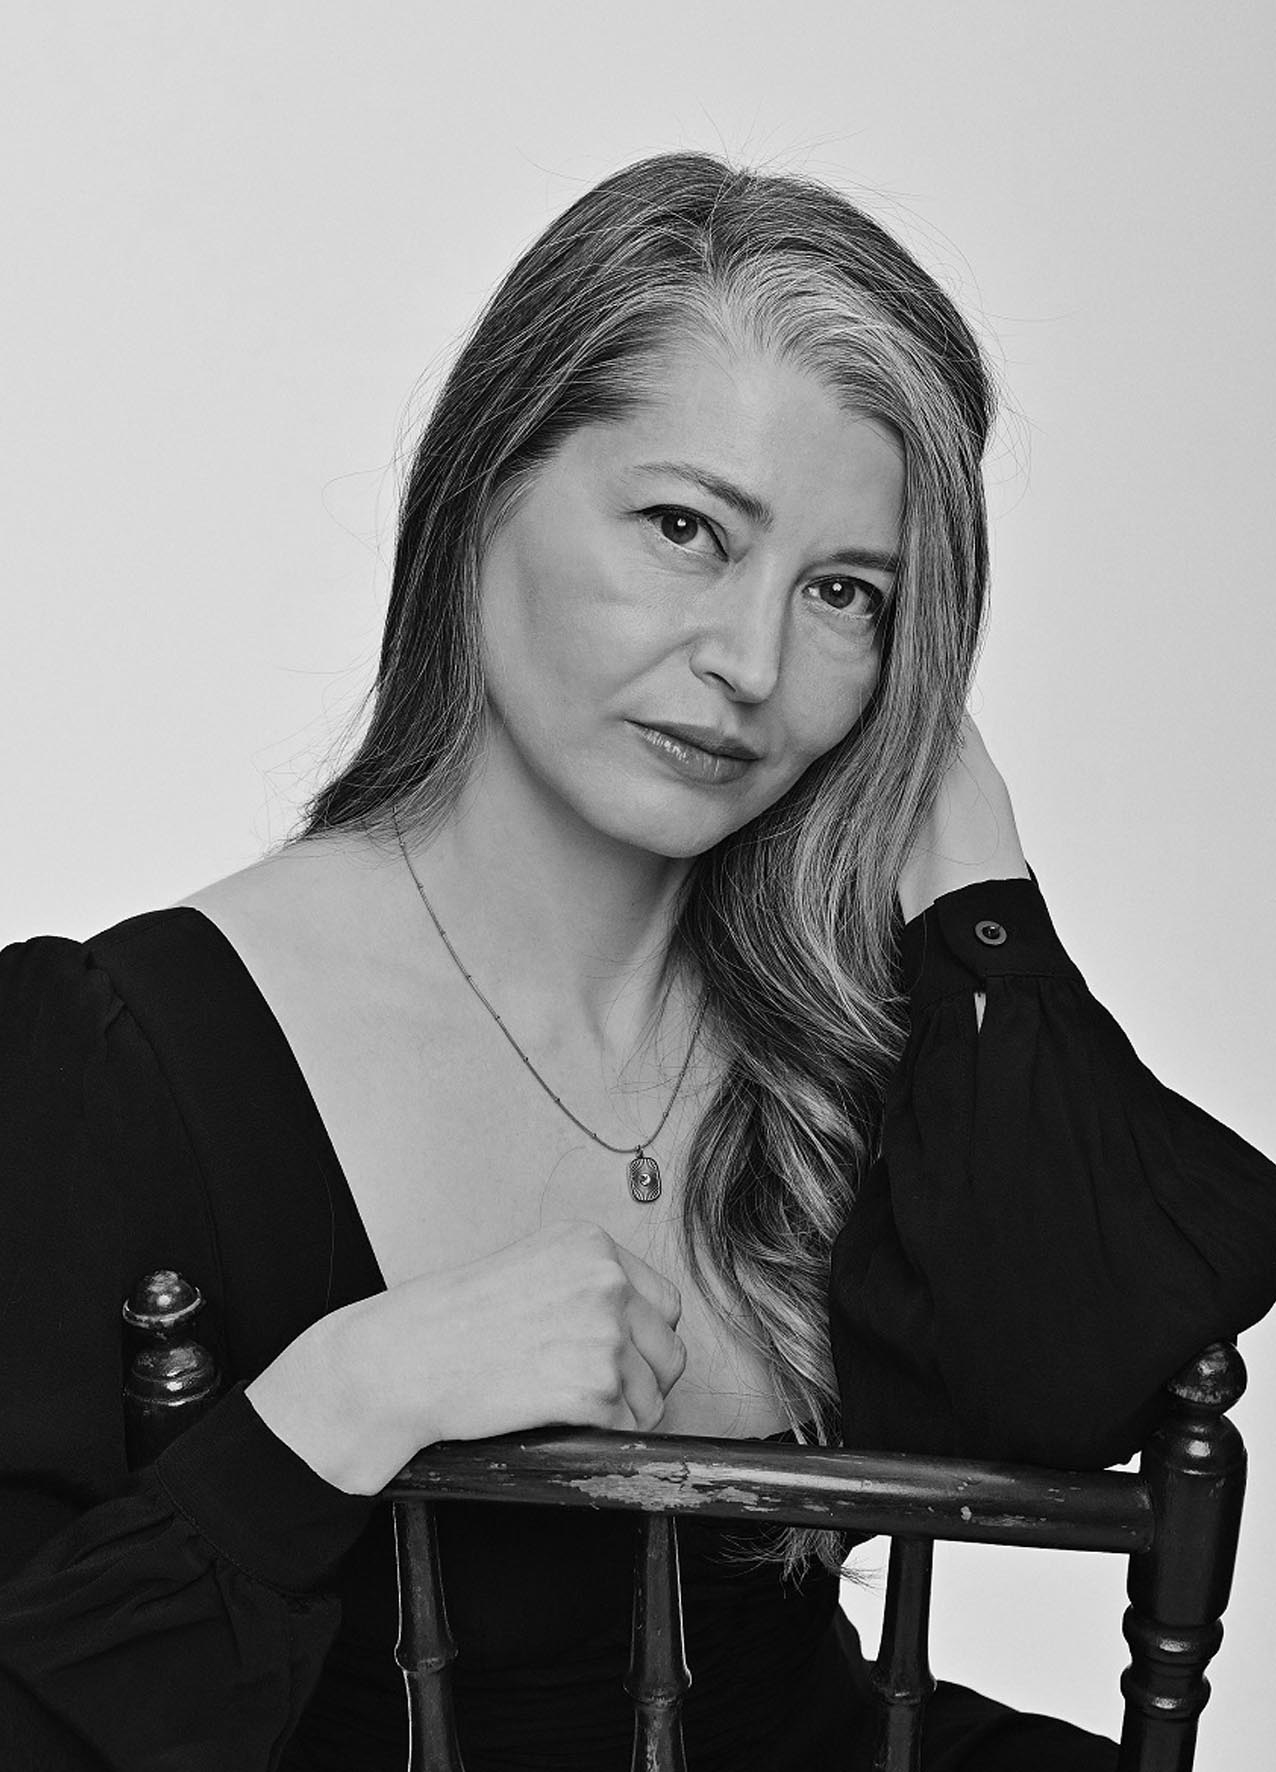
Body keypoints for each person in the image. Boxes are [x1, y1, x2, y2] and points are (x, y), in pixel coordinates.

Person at [1, 151, 1273, 1772]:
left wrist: (974, 877)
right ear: (484, 492)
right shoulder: (117, 1058)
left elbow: (1082, 1386)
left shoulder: (849, 1041)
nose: (751, 663)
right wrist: (342, 1405)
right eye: (686, 529)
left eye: (844, 595)